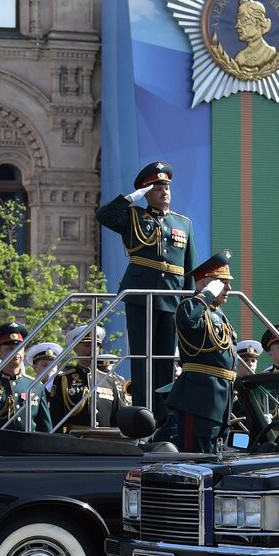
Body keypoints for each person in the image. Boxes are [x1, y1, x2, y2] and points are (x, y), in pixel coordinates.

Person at [95, 161, 195, 420]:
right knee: (142, 358)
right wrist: (131, 198)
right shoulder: (133, 216)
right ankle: (143, 414)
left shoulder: (183, 224)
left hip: (172, 297)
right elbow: (103, 215)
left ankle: (162, 416)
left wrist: (190, 301)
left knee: (164, 360)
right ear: (146, 192)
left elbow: (189, 267)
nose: (164, 192)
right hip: (140, 294)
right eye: (157, 188)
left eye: (167, 187)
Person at [166, 251, 238, 452]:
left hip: (221, 400)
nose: (229, 288)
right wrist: (207, 294)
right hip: (199, 399)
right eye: (222, 283)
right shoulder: (190, 306)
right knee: (195, 458)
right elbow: (189, 321)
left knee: (216, 457)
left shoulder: (218, 313)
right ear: (208, 283)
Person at [0, 322, 52, 432]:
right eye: (9, 348)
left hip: (28, 445)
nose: (16, 351)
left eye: (19, 347)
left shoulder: (36, 386)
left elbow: (45, 427)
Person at [50, 325, 127, 432]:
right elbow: (56, 417)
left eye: (95, 346)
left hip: (106, 440)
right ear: (75, 348)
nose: (92, 350)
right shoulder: (63, 379)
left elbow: (116, 417)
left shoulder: (109, 380)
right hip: (75, 440)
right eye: (87, 345)